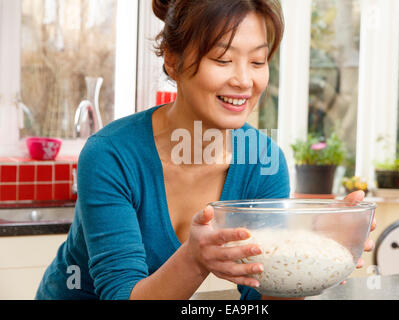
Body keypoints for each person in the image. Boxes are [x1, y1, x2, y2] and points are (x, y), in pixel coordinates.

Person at [35, 0, 375, 300]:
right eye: (223, 59)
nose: (244, 80)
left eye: (258, 62)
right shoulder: (111, 155)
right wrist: (194, 259)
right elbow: (121, 294)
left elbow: (261, 297)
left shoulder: (263, 161)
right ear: (172, 60)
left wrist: (309, 259)